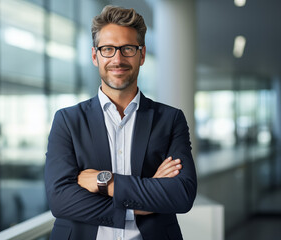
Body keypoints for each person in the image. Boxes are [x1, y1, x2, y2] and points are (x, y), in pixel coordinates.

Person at [45, 5, 197, 240]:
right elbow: (61, 200)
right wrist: (145, 196)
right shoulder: (67, 120)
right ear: (95, 56)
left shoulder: (170, 119)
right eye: (107, 49)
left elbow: (181, 194)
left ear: (142, 55)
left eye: (127, 48)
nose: (117, 58)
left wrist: (104, 181)